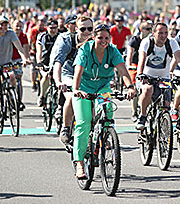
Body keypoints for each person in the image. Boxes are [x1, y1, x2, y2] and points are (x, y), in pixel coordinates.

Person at [72, 23, 136, 179]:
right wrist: (76, 89)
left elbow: (122, 69)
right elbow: (78, 70)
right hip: (84, 88)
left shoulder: (112, 51)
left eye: (107, 38)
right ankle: (79, 162)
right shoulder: (85, 50)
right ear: (93, 37)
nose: (104, 41)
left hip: (102, 87)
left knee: (107, 114)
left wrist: (130, 87)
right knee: (84, 122)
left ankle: (106, 135)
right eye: (100, 38)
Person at [51, 15, 94, 145]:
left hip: (87, 75)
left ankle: (96, 133)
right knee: (71, 97)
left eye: (89, 29)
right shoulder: (67, 40)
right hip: (68, 73)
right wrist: (58, 82)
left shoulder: (95, 41)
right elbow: (58, 63)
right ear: (76, 29)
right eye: (83, 29)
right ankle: (66, 128)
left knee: (96, 99)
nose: (86, 32)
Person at [135, 22, 180, 130]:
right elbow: (142, 60)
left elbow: (179, 59)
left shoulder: (171, 42)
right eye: (160, 33)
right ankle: (143, 116)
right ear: (153, 33)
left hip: (164, 78)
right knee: (148, 90)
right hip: (147, 76)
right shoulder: (147, 42)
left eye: (165, 33)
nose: (163, 36)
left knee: (166, 106)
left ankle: (163, 131)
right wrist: (140, 74)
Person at [0, 15, 29, 133]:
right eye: (1, 25)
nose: (3, 27)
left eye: (5, 25)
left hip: (7, 63)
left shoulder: (11, 33)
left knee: (13, 76)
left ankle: (12, 98)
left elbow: (19, 47)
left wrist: (24, 58)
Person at [126, 20, 152, 122]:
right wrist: (129, 65)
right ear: (141, 30)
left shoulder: (151, 40)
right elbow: (130, 54)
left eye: (150, 29)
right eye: (147, 29)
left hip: (147, 66)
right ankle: (134, 112)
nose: (149, 31)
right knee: (135, 89)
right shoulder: (135, 40)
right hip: (135, 65)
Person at [36, 19, 59, 107]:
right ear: (47, 28)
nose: (53, 30)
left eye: (55, 28)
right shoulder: (42, 36)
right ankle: (42, 96)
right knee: (46, 76)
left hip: (56, 62)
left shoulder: (61, 37)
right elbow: (39, 50)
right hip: (45, 62)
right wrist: (39, 62)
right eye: (51, 28)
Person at [11, 19, 29, 107]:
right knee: (8, 79)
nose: (18, 28)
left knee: (18, 79)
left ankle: (19, 101)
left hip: (18, 59)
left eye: (20, 26)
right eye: (16, 26)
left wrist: (26, 59)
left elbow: (25, 48)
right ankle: (8, 98)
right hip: (8, 59)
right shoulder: (9, 35)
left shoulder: (23, 36)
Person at [28, 16, 46, 92]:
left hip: (42, 51)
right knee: (33, 68)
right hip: (34, 51)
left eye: (42, 24)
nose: (41, 26)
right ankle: (33, 83)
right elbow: (30, 41)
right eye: (40, 24)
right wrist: (29, 51)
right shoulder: (33, 30)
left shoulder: (45, 30)